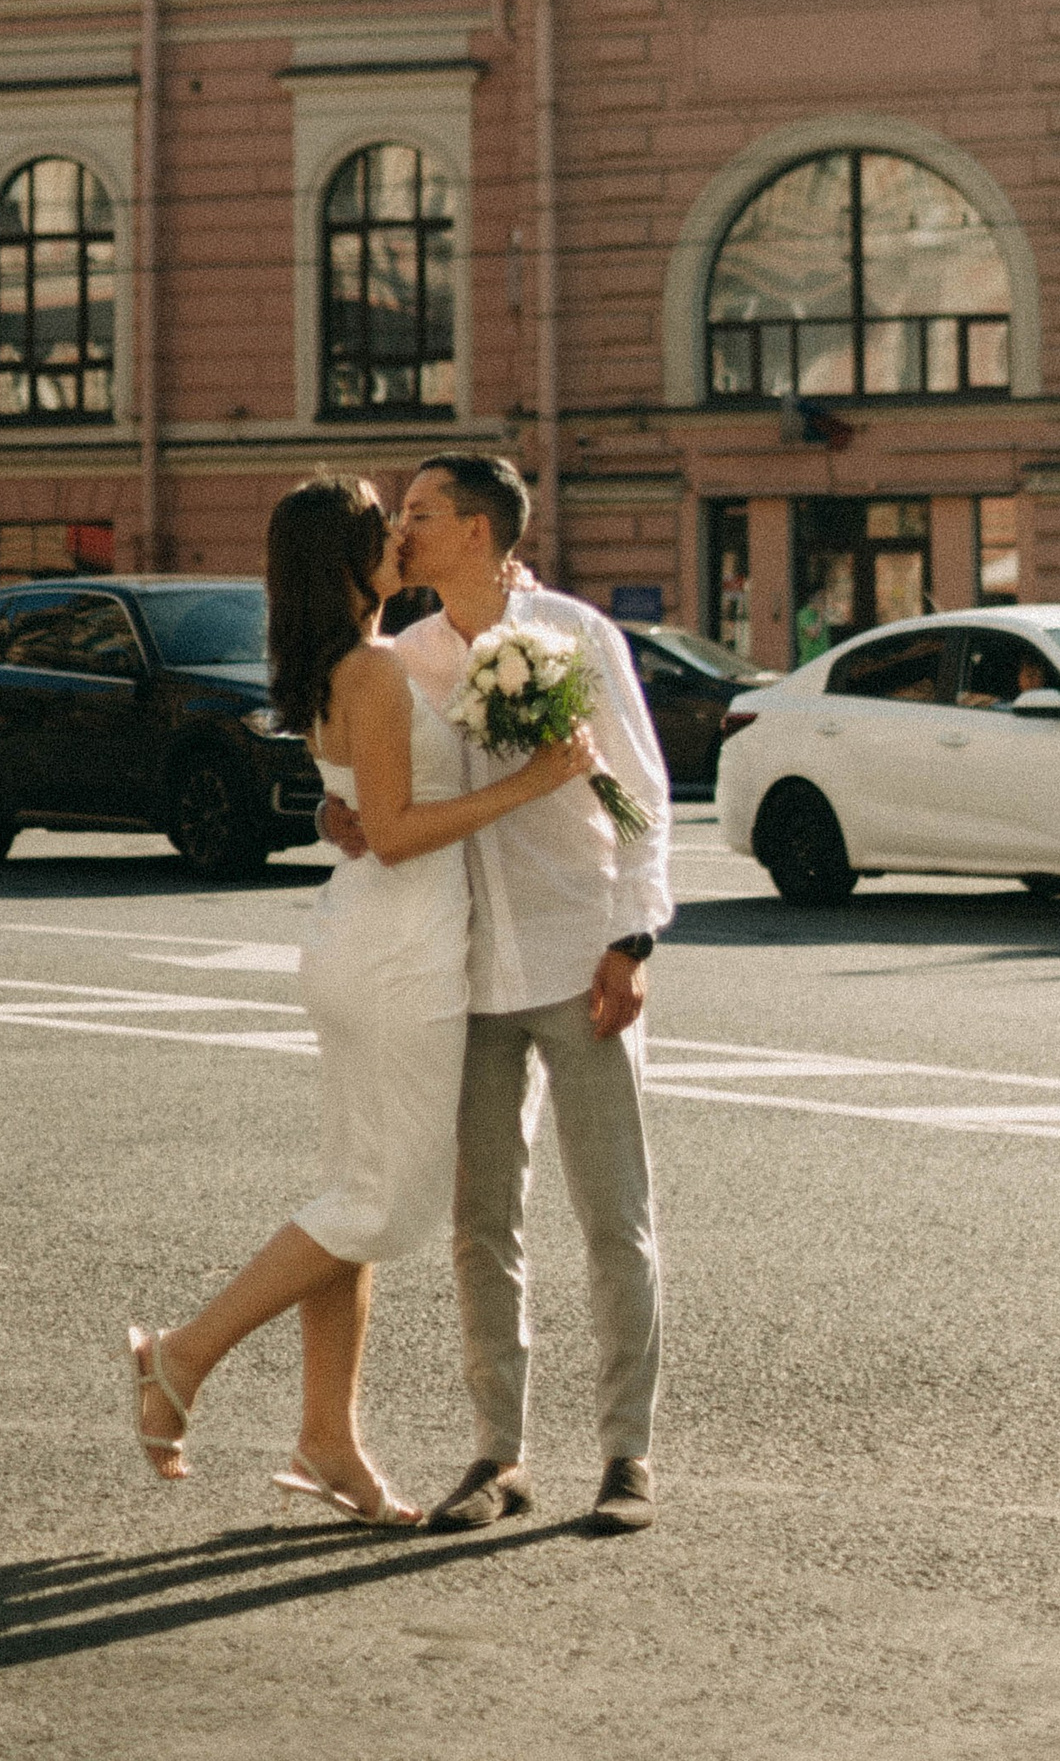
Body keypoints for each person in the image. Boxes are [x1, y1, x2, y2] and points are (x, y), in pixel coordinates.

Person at [125, 474, 594, 1528]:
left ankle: (328, 1438)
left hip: (368, 935)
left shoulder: (337, 663)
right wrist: (534, 781)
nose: (396, 536)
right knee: (380, 1204)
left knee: (352, 1197)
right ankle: (180, 1357)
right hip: (397, 950)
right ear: (345, 558)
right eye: (380, 526)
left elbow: (356, 811)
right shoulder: (374, 669)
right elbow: (393, 828)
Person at [336, 452, 675, 1538]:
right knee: (481, 1224)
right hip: (464, 968)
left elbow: (639, 790)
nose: (402, 529)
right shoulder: (404, 653)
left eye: (422, 514)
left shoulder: (577, 634)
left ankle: (626, 1453)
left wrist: (632, 937)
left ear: (477, 531)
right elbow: (365, 791)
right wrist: (335, 818)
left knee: (612, 1213)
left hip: (578, 953)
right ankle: (499, 1452)